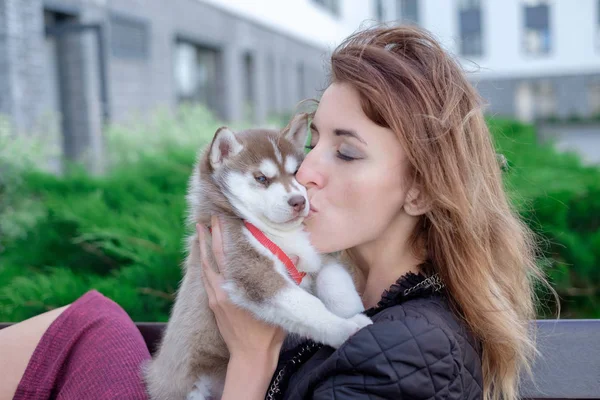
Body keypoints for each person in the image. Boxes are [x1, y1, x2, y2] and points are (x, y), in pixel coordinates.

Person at [0, 25, 551, 400]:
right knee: (93, 322)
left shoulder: (406, 355)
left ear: (420, 193)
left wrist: (249, 356)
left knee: (88, 325)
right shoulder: (364, 297)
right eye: (315, 140)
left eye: (347, 150)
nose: (305, 172)